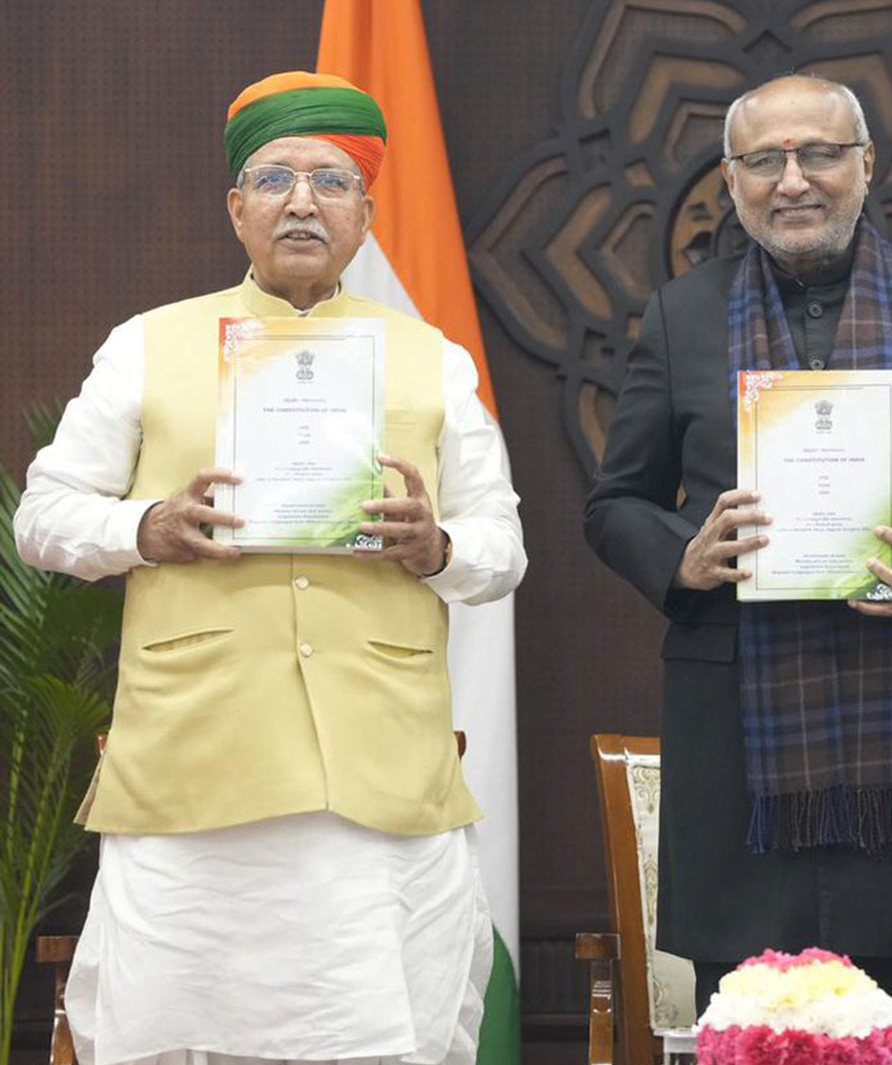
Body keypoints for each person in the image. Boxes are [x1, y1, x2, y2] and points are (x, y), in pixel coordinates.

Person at [15, 71, 527, 1065]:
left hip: (377, 776)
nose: (303, 201)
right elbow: (44, 519)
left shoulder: (432, 358)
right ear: (236, 208)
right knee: (174, 1030)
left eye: (332, 182)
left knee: (378, 1034)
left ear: (366, 215)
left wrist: (437, 547)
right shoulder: (147, 346)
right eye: (277, 178)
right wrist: (147, 527)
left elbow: (498, 545)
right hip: (194, 763)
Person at [583, 75, 892, 1063]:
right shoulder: (679, 316)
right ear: (730, 180)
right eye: (764, 161)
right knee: (751, 1031)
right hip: (742, 759)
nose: (792, 180)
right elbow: (612, 502)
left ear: (865, 166)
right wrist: (683, 556)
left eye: (818, 155)